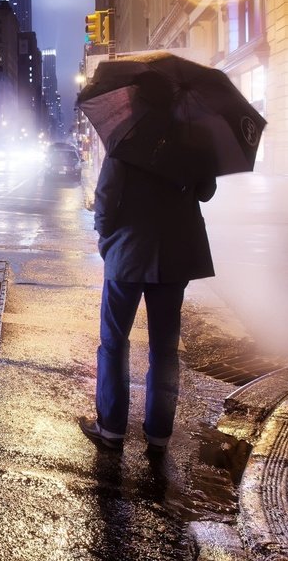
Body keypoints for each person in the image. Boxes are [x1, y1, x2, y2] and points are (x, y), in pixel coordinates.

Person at [78, 155, 216, 456]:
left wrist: (105, 236)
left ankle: (111, 429)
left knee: (113, 342)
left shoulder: (128, 137)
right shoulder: (193, 139)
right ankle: (158, 435)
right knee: (165, 349)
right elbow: (206, 191)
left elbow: (106, 195)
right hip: (174, 253)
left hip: (128, 250)